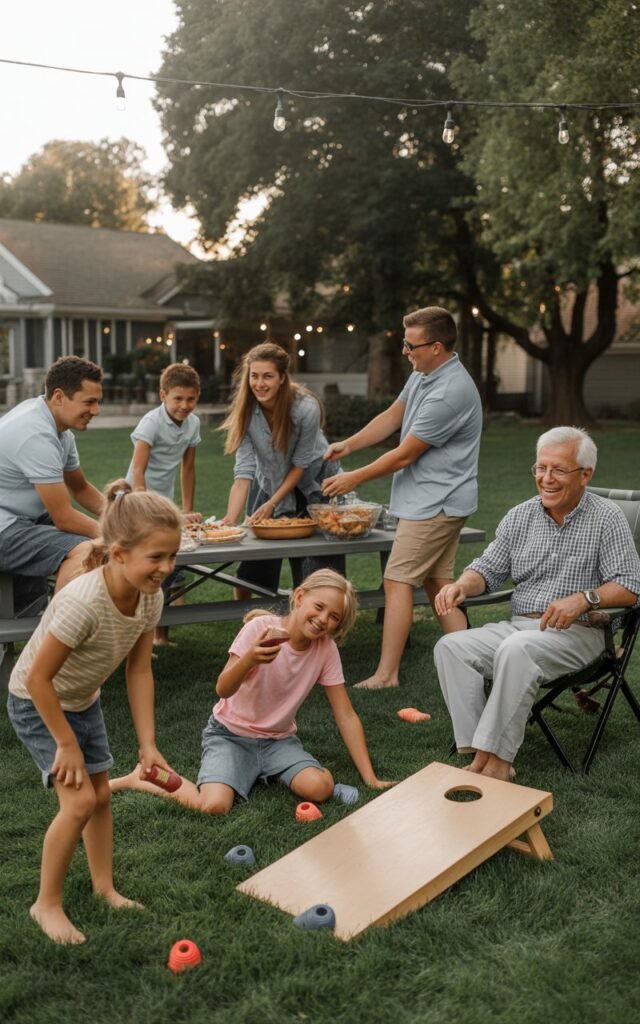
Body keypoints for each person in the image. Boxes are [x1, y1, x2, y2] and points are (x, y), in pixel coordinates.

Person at [6, 481, 182, 945]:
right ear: (119, 554)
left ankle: (104, 888)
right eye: (156, 557)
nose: (166, 568)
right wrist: (65, 743)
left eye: (172, 556)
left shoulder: (150, 596)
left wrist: (147, 743)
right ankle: (45, 904)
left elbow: (140, 671)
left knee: (101, 796)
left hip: (83, 699)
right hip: (36, 703)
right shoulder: (82, 602)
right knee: (80, 801)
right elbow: (39, 680)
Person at [433, 426, 640, 782]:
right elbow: (488, 568)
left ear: (585, 474)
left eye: (558, 470)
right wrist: (461, 585)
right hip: (520, 627)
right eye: (541, 468)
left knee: (518, 649)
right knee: (451, 646)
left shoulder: (607, 518)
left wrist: (584, 599)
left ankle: (497, 765)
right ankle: (477, 752)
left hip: (580, 634)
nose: (546, 478)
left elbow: (630, 588)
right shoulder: (520, 515)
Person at [111, 569, 392, 813]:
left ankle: (265, 770)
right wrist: (250, 660)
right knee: (213, 806)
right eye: (318, 607)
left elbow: (345, 715)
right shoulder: (259, 629)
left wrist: (370, 777)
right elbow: (223, 688)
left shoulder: (325, 649)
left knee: (320, 788)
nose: (322, 619)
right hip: (230, 736)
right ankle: (143, 778)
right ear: (299, 597)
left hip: (278, 741)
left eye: (333, 617)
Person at [322, 306, 482, 689]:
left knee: (396, 581)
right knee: (438, 585)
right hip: (433, 499)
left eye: (411, 346)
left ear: (437, 347)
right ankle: (474, 663)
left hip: (436, 503)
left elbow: (406, 454)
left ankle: (387, 674)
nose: (406, 352)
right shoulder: (424, 375)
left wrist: (352, 479)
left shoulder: (449, 392)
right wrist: (349, 445)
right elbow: (393, 416)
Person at [220, 343, 344, 596]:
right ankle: (246, 621)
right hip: (272, 484)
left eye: (267, 376)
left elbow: (301, 465)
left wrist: (272, 504)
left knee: (318, 574)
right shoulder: (245, 409)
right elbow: (243, 472)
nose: (259, 383)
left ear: (282, 378)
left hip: (316, 486)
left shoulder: (306, 409)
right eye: (254, 376)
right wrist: (229, 522)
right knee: (252, 572)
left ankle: (324, 623)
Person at [0, 356, 105, 614]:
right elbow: (64, 519)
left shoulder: (59, 430)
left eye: (97, 402)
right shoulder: (35, 433)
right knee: (87, 549)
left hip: (23, 518)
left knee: (105, 543)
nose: (96, 411)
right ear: (59, 396)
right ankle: (59, 637)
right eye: (89, 402)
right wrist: (119, 535)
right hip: (5, 527)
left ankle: (87, 631)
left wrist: (130, 519)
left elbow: (80, 489)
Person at [126, 361, 202, 645]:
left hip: (165, 503)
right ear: (163, 396)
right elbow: (138, 469)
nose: (184, 405)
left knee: (171, 559)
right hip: (137, 501)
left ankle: (160, 636)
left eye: (190, 399)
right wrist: (144, 505)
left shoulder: (193, 423)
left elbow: (188, 468)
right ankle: (133, 636)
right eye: (177, 399)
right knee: (144, 564)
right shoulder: (151, 422)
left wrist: (185, 509)